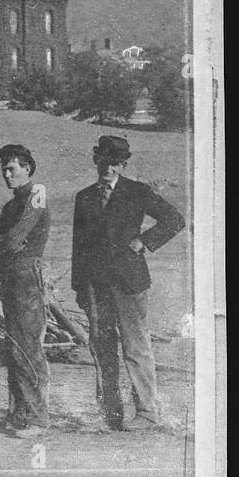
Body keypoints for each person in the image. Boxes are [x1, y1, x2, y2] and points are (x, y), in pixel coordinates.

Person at [72, 135, 185, 431]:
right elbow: (78, 246)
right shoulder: (84, 197)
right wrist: (79, 287)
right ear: (96, 160)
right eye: (103, 162)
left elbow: (174, 219)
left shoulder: (137, 192)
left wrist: (144, 241)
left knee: (135, 346)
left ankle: (147, 413)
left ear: (122, 165)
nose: (107, 168)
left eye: (114, 163)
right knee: (102, 346)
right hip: (95, 284)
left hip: (129, 281)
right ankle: (111, 412)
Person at [0, 145, 52, 439]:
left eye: (12, 168)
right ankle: (19, 414)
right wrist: (6, 243)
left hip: (27, 278)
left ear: (28, 168)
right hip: (10, 277)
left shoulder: (37, 194)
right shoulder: (11, 205)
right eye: (4, 169)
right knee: (14, 348)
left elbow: (14, 238)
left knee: (28, 348)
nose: (6, 174)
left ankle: (38, 418)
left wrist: (9, 242)